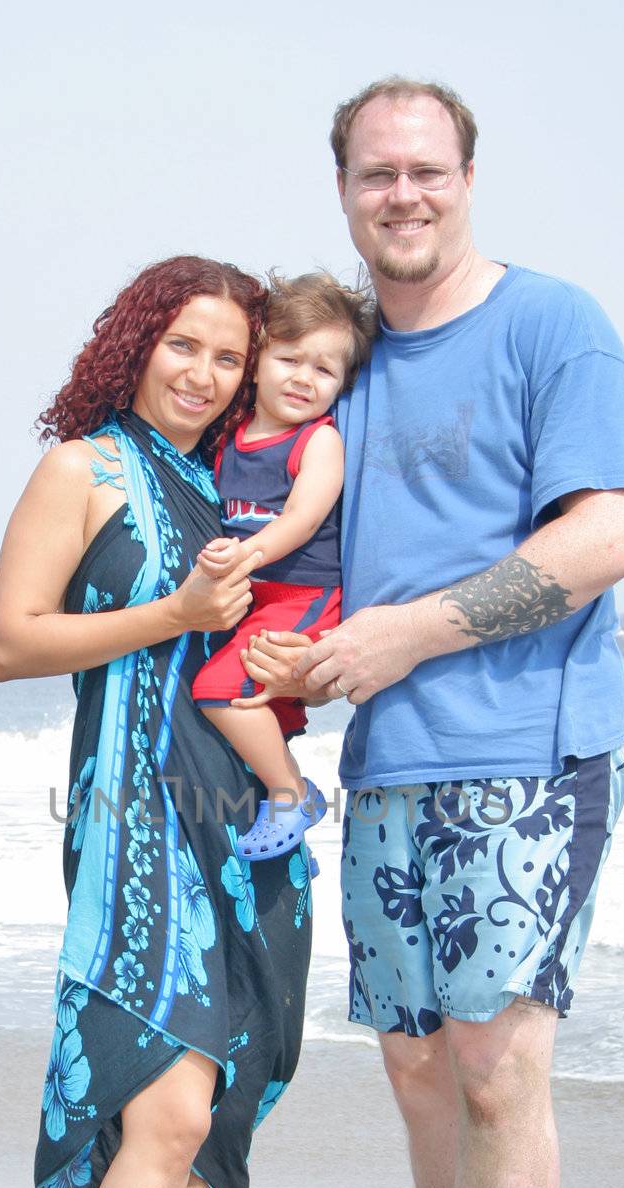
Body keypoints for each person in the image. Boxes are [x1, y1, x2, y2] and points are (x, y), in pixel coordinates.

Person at [244, 78, 624, 1188]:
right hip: (389, 766)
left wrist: (407, 633)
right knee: (421, 1070)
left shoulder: (553, 324)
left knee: (498, 1066)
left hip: (526, 750)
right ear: (344, 191)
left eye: (424, 170)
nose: (401, 195)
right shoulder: (347, 359)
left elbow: (607, 535)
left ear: (467, 176)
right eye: (375, 176)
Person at [0, 256, 313, 1188]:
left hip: (252, 818)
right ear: (134, 343)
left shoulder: (237, 488)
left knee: (225, 1109)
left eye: (227, 355)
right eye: (183, 344)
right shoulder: (85, 470)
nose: (202, 372)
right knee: (165, 1110)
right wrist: (174, 615)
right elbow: (14, 643)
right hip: (136, 812)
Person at [190, 272, 376, 862]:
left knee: (217, 692)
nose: (304, 377)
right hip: (256, 599)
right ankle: (286, 814)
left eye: (325, 370)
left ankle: (291, 793)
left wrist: (245, 554)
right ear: (258, 359)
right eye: (289, 358)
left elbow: (300, 518)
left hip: (306, 598)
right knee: (251, 704)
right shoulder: (228, 440)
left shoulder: (318, 442)